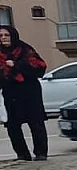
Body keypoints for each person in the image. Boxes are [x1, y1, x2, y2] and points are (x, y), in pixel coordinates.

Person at [0, 25, 48, 161]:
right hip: (10, 92)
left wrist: (17, 65)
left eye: (6, 35)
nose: (3, 38)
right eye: (1, 36)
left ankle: (41, 153)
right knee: (13, 125)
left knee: (36, 122)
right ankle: (22, 154)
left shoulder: (24, 49)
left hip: (29, 91)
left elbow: (40, 66)